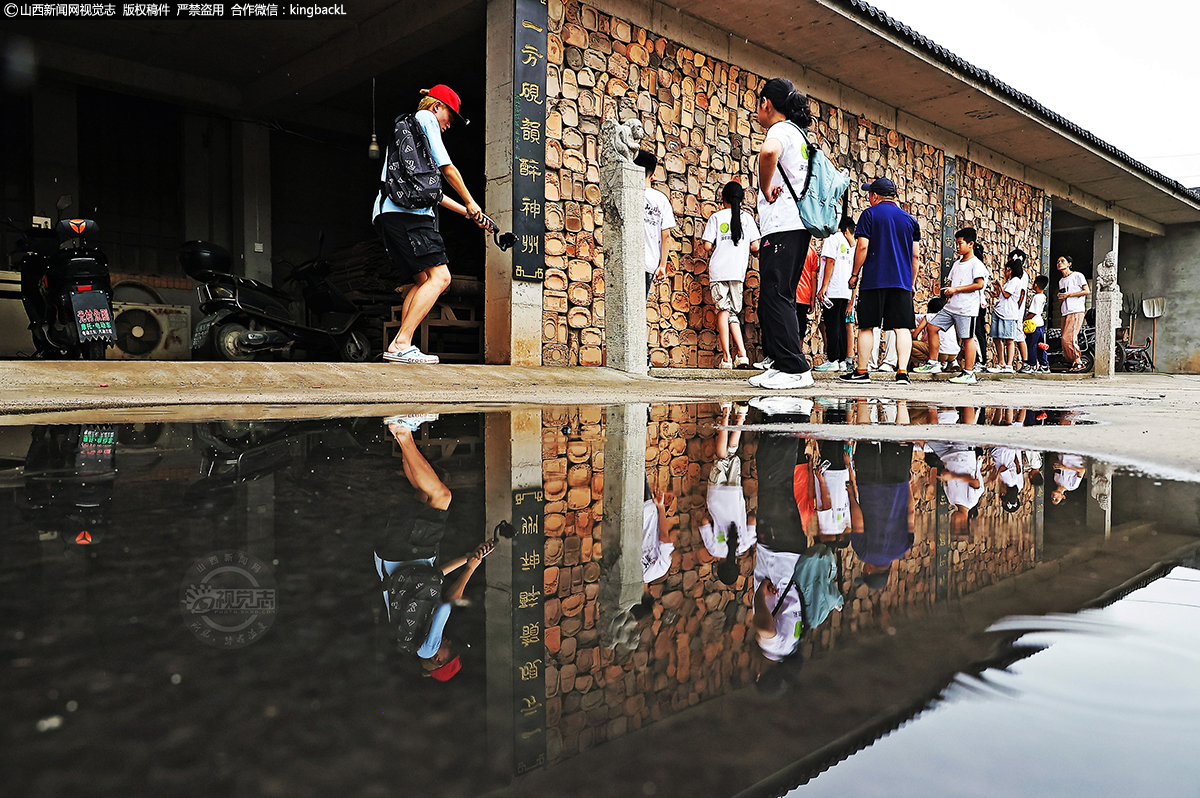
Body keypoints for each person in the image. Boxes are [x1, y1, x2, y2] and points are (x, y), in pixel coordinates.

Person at [375, 84, 489, 364]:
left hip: (389, 213)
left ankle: (401, 346)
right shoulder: (425, 119)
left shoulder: (411, 140)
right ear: (436, 106)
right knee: (442, 278)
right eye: (449, 116)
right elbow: (447, 168)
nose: (449, 125)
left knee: (422, 280)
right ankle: (401, 343)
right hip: (408, 218)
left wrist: (468, 212)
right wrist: (472, 201)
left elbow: (433, 195)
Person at [376, 413, 494, 681]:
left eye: (450, 650)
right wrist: (467, 558)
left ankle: (402, 432)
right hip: (393, 558)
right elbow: (432, 578)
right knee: (422, 495)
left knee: (441, 496)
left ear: (439, 659)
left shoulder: (427, 647)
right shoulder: (412, 637)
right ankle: (400, 431)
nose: (450, 643)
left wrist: (469, 572)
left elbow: (445, 606)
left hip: (409, 554)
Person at [748, 77, 817, 391]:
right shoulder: (797, 133)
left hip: (785, 226)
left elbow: (767, 154)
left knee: (777, 296)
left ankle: (795, 368)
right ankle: (779, 363)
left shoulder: (779, 130)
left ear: (766, 104)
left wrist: (764, 187)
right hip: (791, 226)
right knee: (775, 296)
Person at [839, 177, 921, 386]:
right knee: (902, 328)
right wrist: (910, 282)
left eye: (869, 194)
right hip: (901, 282)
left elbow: (863, 247)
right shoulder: (910, 220)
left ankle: (862, 371)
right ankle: (902, 373)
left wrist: (855, 273)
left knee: (867, 326)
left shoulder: (869, 215)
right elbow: (915, 257)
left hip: (874, 280)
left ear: (875, 196)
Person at [913, 227, 988, 385]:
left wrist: (956, 289)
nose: (958, 247)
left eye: (961, 243)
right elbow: (951, 282)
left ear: (971, 244)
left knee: (967, 339)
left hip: (966, 309)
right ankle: (933, 363)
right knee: (932, 326)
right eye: (957, 243)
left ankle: (969, 372)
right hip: (951, 306)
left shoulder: (976, 264)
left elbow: (979, 284)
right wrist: (949, 291)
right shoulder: (957, 264)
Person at [700, 182, 759, 369]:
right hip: (737, 272)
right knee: (733, 312)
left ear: (722, 198)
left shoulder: (716, 217)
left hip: (719, 271)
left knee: (722, 311)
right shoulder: (747, 219)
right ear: (741, 199)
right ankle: (742, 355)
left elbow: (707, 246)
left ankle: (726, 358)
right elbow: (756, 246)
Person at [699, 404, 757, 585]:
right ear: (718, 567)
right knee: (721, 456)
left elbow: (753, 520)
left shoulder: (744, 545)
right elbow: (703, 522)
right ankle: (726, 412)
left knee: (731, 454)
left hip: (734, 496)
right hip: (716, 498)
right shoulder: (714, 549)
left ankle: (740, 416)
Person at [814, 217, 856, 372]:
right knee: (840, 324)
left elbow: (830, 262)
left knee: (832, 324)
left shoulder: (833, 239)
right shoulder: (850, 244)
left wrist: (824, 287)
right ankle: (842, 360)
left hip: (833, 289)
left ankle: (832, 359)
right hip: (845, 291)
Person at [635, 150, 677, 299]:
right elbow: (666, 237)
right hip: (648, 262)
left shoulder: (628, 194)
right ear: (653, 175)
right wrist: (662, 265)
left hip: (627, 259)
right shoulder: (661, 199)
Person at [986, 251, 1027, 374]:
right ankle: (1001, 362)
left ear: (1009, 269)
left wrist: (1000, 285)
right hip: (1000, 311)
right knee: (997, 338)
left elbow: (1007, 294)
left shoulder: (1015, 280)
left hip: (1009, 314)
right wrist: (997, 291)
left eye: (1006, 269)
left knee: (1009, 339)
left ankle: (1009, 364)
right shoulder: (1010, 282)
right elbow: (1004, 296)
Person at [1057, 255, 1090, 372]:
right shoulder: (1061, 281)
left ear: (1069, 264)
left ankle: (1078, 361)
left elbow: (1087, 291)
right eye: (1058, 262)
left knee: (1068, 338)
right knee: (1065, 339)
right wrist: (1062, 297)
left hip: (1076, 310)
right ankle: (1074, 363)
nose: (1060, 263)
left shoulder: (1077, 275)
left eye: (1062, 261)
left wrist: (1069, 294)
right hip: (1065, 311)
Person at [911, 295, 960, 370]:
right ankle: (951, 363)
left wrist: (917, 341)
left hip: (939, 354)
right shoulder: (949, 318)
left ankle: (931, 362)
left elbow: (915, 334)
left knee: (908, 345)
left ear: (929, 309)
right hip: (954, 354)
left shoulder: (929, 316)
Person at [794, 238, 822, 363]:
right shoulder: (812, 251)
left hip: (792, 292)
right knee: (801, 324)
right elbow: (813, 276)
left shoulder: (794, 247)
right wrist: (812, 298)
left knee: (790, 323)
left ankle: (791, 350)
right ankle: (798, 351)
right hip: (805, 293)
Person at [642, 479, 674, 583]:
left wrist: (660, 507)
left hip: (647, 512)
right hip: (625, 521)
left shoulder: (662, 569)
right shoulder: (630, 577)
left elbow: (664, 538)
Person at [1024, 274, 1050, 372]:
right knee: (1041, 345)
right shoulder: (1043, 296)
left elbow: (1032, 313)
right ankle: (1044, 364)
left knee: (1031, 345)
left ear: (1036, 285)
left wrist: (1025, 319)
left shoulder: (1036, 297)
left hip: (1033, 325)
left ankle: (1031, 364)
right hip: (1041, 324)